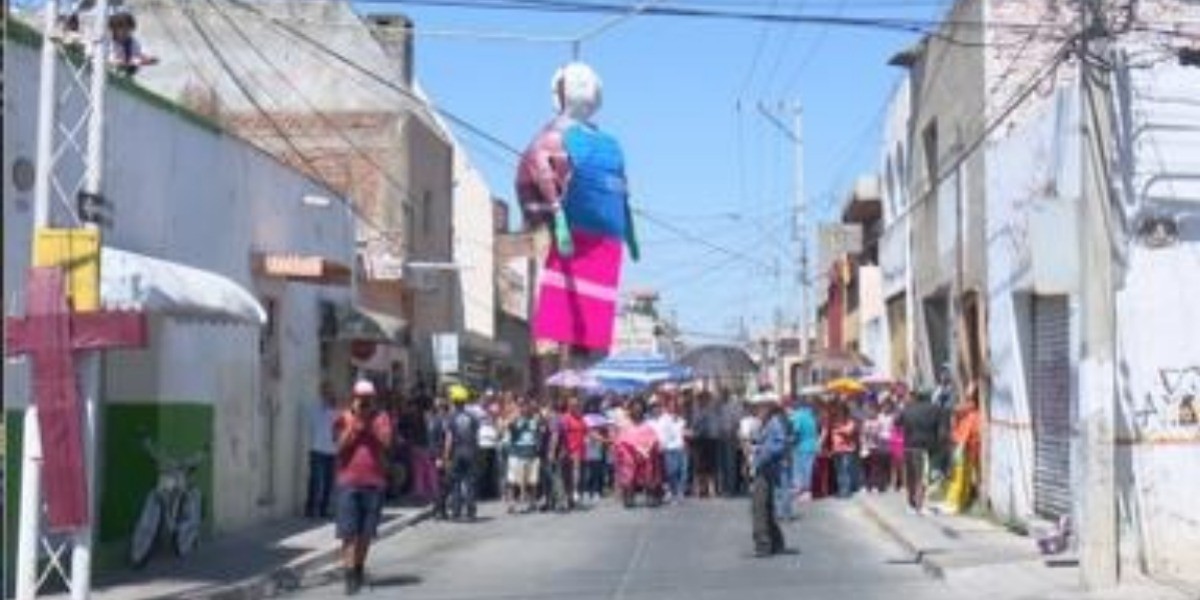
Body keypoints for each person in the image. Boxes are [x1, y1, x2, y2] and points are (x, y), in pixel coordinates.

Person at [333, 380, 393, 595]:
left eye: (369, 399)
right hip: (348, 482)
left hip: (374, 482)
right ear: (354, 398)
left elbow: (386, 443)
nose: (366, 402)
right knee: (348, 533)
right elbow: (339, 447)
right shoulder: (344, 417)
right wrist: (355, 423)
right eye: (362, 398)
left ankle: (358, 568)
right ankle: (349, 575)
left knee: (366, 534)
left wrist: (370, 424)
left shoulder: (381, 418)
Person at [748, 392, 788, 558]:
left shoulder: (774, 423)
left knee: (759, 507)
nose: (757, 410)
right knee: (766, 506)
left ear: (768, 408)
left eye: (760, 407)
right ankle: (776, 541)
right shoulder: (763, 424)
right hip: (762, 468)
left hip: (767, 469)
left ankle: (762, 543)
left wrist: (762, 452)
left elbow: (779, 444)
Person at [897, 389, 943, 514]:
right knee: (921, 477)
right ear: (929, 397)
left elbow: (897, 423)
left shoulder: (907, 409)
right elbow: (941, 431)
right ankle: (919, 505)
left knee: (910, 476)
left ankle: (910, 504)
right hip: (925, 448)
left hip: (908, 447)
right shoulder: (936, 409)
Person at [614, 397, 662, 508]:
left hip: (645, 454)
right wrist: (631, 449)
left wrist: (647, 449)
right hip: (629, 455)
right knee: (628, 470)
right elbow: (621, 441)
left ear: (643, 411)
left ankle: (650, 496)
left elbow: (653, 439)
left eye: (639, 410)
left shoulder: (647, 425)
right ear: (631, 410)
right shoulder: (626, 425)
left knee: (649, 469)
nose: (637, 412)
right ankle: (629, 497)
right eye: (635, 409)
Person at [444, 384, 480, 521]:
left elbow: (449, 438)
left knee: (456, 482)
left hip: (457, 452)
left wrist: (446, 456)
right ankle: (471, 512)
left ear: (454, 402)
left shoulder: (451, 417)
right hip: (470, 451)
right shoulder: (473, 417)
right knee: (470, 482)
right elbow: (476, 436)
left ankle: (456, 512)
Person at [506, 398, 546, 514]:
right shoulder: (515, 419)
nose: (524, 408)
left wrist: (541, 417)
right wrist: (514, 419)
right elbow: (508, 427)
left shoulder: (535, 420)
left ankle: (532, 502)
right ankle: (513, 503)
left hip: (532, 453)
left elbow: (541, 431)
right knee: (515, 481)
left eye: (525, 406)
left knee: (533, 480)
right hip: (517, 453)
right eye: (521, 406)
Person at [306, 382, 339, 519]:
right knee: (316, 480)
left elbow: (339, 428)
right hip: (317, 449)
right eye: (326, 391)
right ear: (321, 392)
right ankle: (310, 509)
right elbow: (312, 421)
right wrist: (325, 406)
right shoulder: (315, 407)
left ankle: (324, 509)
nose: (329, 393)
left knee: (328, 482)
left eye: (330, 391)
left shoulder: (337, 411)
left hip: (332, 450)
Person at [653, 397, 688, 504]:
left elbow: (683, 432)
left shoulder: (682, 420)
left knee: (683, 473)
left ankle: (679, 493)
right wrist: (661, 445)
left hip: (681, 448)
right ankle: (673, 492)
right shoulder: (664, 419)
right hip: (669, 449)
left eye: (675, 406)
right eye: (671, 406)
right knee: (671, 472)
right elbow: (660, 433)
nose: (673, 408)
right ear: (667, 407)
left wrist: (687, 434)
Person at [789, 397, 820, 504]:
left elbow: (796, 432)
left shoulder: (798, 416)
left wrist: (790, 441)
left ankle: (802, 493)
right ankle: (807, 492)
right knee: (808, 470)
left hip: (801, 447)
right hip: (812, 446)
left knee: (799, 471)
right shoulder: (811, 415)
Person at [107, 10, 157, 77]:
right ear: (113, 29)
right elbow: (110, 60)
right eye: (121, 29)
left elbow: (140, 54)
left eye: (128, 29)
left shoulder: (133, 42)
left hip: (129, 73)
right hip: (111, 74)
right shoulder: (108, 43)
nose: (125, 32)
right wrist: (125, 62)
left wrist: (148, 59)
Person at [561, 396, 589, 508]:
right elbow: (562, 435)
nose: (575, 407)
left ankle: (574, 496)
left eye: (576, 405)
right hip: (570, 451)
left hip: (582, 451)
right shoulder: (566, 418)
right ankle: (573, 495)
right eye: (572, 405)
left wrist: (605, 440)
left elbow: (588, 432)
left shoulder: (581, 419)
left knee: (578, 475)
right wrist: (563, 449)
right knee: (572, 475)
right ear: (568, 406)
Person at [830, 402, 859, 498]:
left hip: (847, 450)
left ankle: (847, 491)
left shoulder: (850, 422)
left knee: (846, 470)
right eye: (838, 412)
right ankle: (841, 489)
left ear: (845, 412)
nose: (839, 414)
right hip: (836, 449)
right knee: (839, 471)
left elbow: (849, 433)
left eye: (841, 412)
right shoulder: (835, 422)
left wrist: (839, 429)